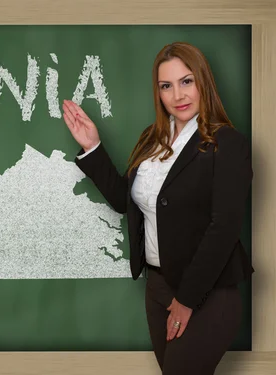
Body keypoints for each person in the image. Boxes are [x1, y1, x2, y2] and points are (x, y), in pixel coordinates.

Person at [62, 41, 254, 374]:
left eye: (186, 81)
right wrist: (92, 146)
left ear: (203, 83)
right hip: (158, 287)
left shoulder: (228, 144)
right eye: (166, 86)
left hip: (206, 292)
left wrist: (187, 300)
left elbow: (223, 228)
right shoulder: (152, 139)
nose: (177, 95)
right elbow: (126, 201)